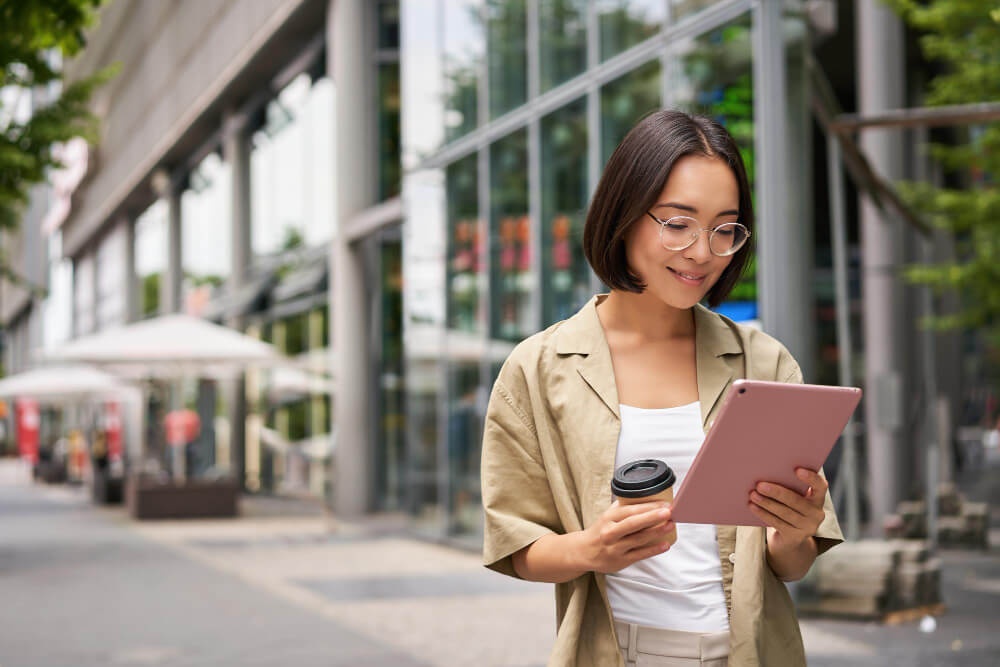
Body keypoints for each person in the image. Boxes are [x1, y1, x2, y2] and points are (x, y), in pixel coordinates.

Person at [481, 109, 842, 667]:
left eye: (725, 229)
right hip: (620, 651)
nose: (703, 252)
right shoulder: (540, 367)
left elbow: (791, 565)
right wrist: (591, 549)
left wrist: (794, 534)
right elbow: (515, 544)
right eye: (678, 224)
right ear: (623, 215)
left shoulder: (763, 362)